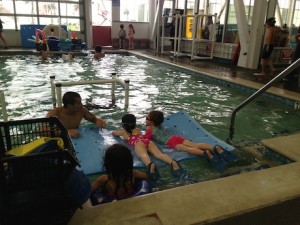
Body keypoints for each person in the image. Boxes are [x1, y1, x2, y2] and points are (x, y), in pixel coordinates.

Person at [144, 111, 238, 171]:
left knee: (188, 149)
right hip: (176, 138)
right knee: (195, 145)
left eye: (147, 118)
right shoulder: (161, 125)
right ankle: (214, 147)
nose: (145, 119)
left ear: (151, 122)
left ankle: (204, 153)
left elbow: (146, 140)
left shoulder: (150, 130)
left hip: (171, 142)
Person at [112, 113, 183, 180]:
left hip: (138, 143)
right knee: (159, 154)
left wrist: (118, 132)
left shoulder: (123, 132)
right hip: (147, 141)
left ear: (123, 124)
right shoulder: (137, 130)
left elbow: (114, 133)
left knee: (144, 155)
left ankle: (150, 164)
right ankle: (172, 162)